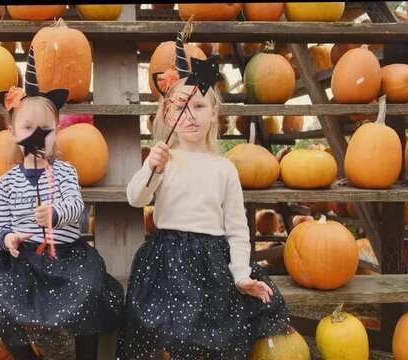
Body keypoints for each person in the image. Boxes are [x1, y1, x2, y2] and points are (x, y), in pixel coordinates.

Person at [116, 33, 291, 359]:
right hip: (168, 259)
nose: (190, 114)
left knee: (216, 328)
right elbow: (136, 199)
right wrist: (151, 168)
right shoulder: (165, 159)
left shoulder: (223, 168)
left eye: (198, 106)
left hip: (213, 260)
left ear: (214, 113)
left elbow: (237, 228)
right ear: (168, 116)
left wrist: (241, 273)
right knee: (170, 327)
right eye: (180, 107)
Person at [0, 47, 123, 360]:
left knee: (90, 290)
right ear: (13, 133)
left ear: (57, 131)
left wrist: (54, 213)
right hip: (22, 260)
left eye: (46, 130)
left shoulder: (65, 172)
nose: (38, 137)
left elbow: (75, 205)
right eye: (28, 129)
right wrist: (7, 239)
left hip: (66, 256)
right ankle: (26, 355)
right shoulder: (8, 181)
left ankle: (86, 354)